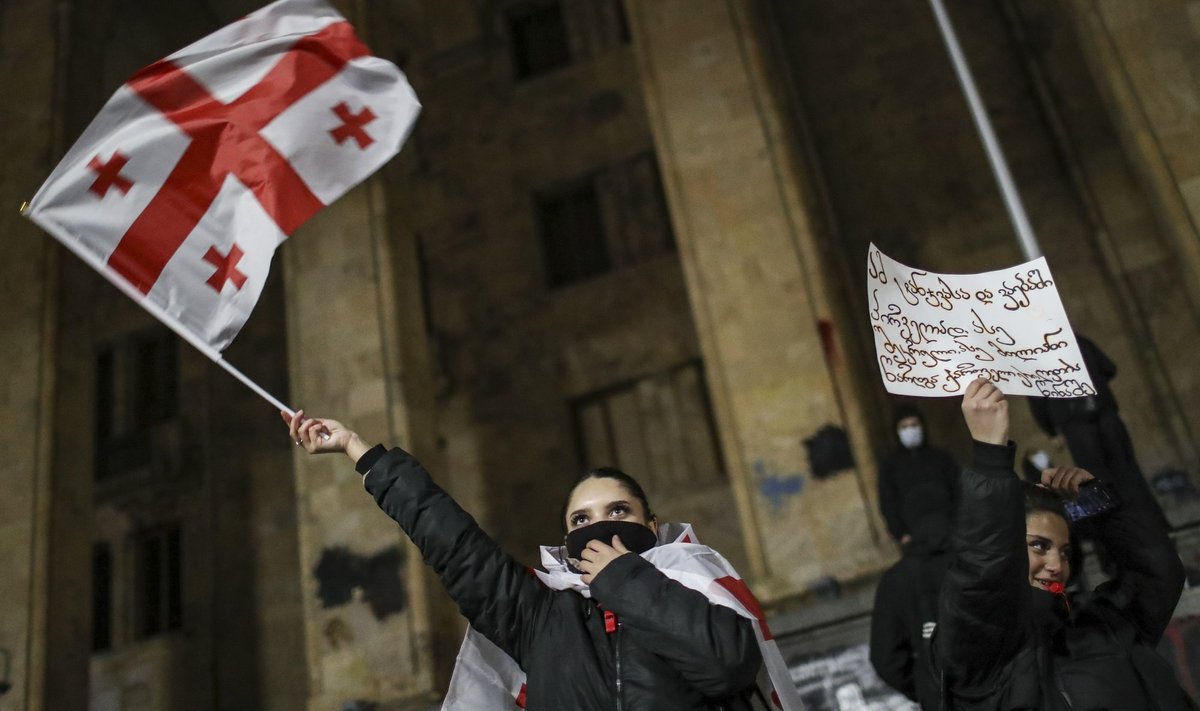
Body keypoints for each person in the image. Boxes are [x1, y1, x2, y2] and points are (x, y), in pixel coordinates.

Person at [282, 410, 800, 711]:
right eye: (581, 520)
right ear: (564, 540)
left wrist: (623, 577)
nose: (598, 526)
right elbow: (453, 542)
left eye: (618, 511)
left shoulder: (697, 586)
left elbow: (726, 664)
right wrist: (356, 448)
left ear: (650, 525)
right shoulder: (540, 615)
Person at [933, 379, 1194, 709]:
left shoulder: (1104, 623)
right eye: (1039, 546)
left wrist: (1100, 504)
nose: (1057, 565)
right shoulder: (981, 652)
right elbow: (980, 578)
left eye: (1065, 551)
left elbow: (1159, 573)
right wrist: (989, 453)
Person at [1027, 333, 1168, 529]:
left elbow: (1037, 400)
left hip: (1076, 423)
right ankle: (1154, 528)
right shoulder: (1081, 342)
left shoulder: (1034, 356)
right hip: (1105, 415)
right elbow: (1109, 368)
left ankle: (1120, 538)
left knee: (1096, 483)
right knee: (1128, 475)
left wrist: (1051, 431)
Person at [877, 404, 960, 548]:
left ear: (922, 426)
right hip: (915, 539)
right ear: (897, 431)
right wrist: (900, 534)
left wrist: (960, 523)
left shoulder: (940, 457)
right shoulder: (890, 466)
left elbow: (959, 489)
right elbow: (887, 501)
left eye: (914, 425)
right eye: (904, 427)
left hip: (949, 531)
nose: (910, 430)